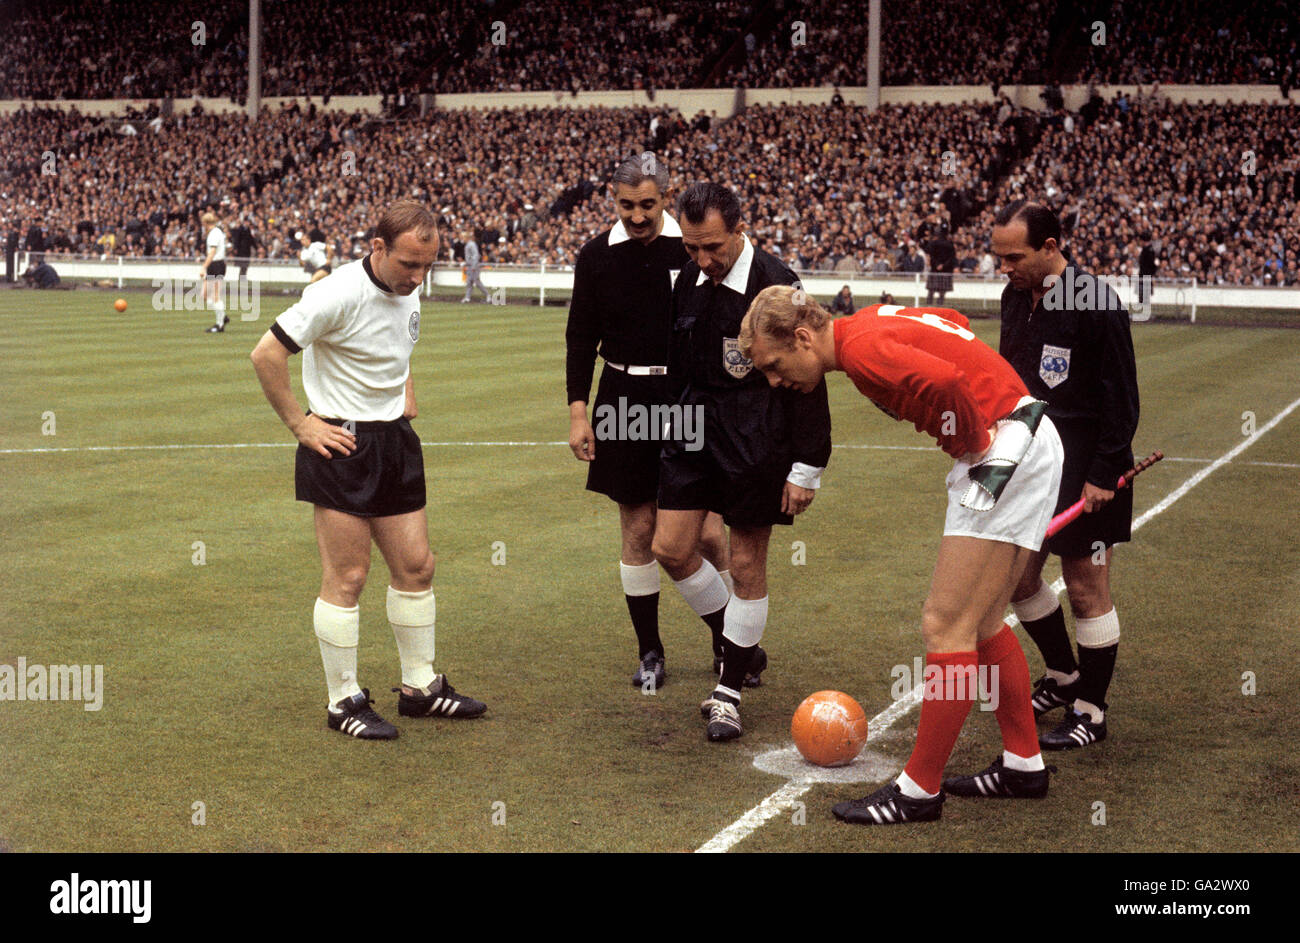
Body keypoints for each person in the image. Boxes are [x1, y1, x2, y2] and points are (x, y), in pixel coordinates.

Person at [740, 289, 1064, 824]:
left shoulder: (862, 350)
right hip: (1025, 435)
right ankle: (1023, 764)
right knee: (980, 622)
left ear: (802, 337)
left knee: (945, 624)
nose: (775, 380)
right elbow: (950, 321)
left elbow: (950, 382)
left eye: (773, 365)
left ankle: (918, 790)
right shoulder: (865, 325)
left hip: (1007, 445)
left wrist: (976, 442)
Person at [249, 200, 487, 740]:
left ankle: (419, 688)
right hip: (340, 442)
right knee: (349, 577)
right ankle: (343, 701)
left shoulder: (408, 284)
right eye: (408, 263)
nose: (417, 276)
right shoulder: (334, 293)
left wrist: (403, 386)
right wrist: (300, 425)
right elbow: (266, 354)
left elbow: (397, 341)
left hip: (394, 440)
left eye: (427, 265)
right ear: (377, 247)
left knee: (417, 567)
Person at [652, 182, 831, 742]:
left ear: (739, 229)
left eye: (712, 247)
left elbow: (810, 377)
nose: (702, 260)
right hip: (692, 427)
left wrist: (806, 466)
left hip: (759, 435)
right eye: (690, 248)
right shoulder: (687, 279)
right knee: (669, 549)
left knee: (748, 564)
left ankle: (727, 692)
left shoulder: (779, 284)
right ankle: (742, 646)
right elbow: (679, 366)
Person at [566, 154, 730, 689]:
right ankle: (651, 651)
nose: (637, 216)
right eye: (626, 205)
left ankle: (729, 644)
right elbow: (578, 337)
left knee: (706, 532)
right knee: (638, 529)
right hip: (622, 399)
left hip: (682, 397)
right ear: (614, 200)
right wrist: (577, 412)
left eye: (648, 204)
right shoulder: (595, 256)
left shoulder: (688, 248)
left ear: (666, 197)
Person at [993, 200, 1139, 750]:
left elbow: (1121, 398)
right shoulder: (1014, 297)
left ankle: (1092, 711)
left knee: (1085, 588)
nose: (1004, 269)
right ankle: (1064, 676)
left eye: (1015, 257)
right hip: (1029, 461)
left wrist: (1103, 472)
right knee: (1021, 578)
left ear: (1051, 247)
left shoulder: (1096, 301)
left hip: (1086, 467)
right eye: (999, 258)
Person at [199, 211, 228, 333]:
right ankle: (222, 316)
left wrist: (203, 267)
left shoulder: (214, 234)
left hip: (216, 265)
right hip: (214, 265)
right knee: (204, 295)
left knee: (215, 296)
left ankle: (219, 324)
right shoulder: (216, 232)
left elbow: (212, 253)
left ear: (205, 223)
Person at [925, 225, 957, 306]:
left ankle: (929, 306)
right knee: (942, 292)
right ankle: (939, 306)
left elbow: (931, 256)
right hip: (945, 271)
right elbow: (952, 258)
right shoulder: (950, 244)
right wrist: (943, 265)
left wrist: (937, 265)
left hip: (935, 270)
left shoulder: (933, 243)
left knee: (931, 291)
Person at [461, 228, 489, 303]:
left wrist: (473, 266)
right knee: (469, 282)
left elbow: (476, 255)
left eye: (463, 237)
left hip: (473, 266)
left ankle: (488, 295)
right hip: (470, 266)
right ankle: (467, 297)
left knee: (477, 282)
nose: (462, 239)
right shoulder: (469, 245)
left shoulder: (471, 245)